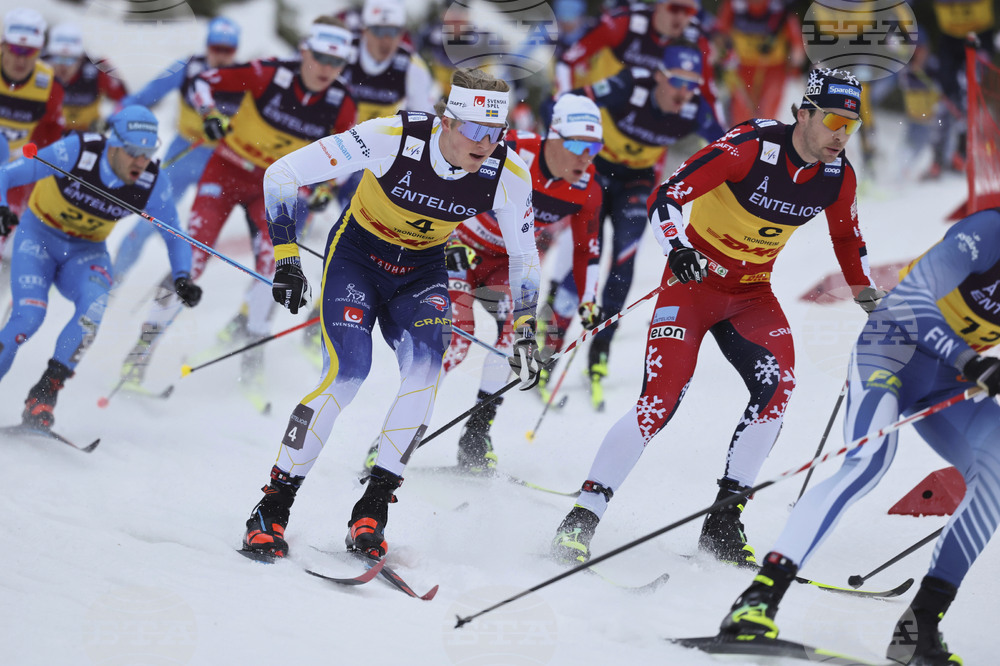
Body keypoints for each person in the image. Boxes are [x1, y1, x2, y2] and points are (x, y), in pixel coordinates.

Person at [550, 68, 886, 569]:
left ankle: (724, 523)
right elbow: (668, 196)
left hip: (751, 297)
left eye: (852, 125)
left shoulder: (837, 177)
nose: (841, 134)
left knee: (777, 390)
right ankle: (582, 515)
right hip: (692, 288)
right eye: (834, 120)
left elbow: (846, 241)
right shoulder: (748, 147)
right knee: (659, 402)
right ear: (804, 113)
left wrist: (868, 299)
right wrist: (678, 246)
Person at [240, 67, 539, 561]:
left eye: (496, 133)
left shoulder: (507, 174)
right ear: (447, 121)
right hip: (357, 258)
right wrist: (287, 255)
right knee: (347, 374)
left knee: (425, 376)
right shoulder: (391, 138)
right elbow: (282, 173)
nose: (485, 144)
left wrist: (527, 325)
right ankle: (272, 507)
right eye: (474, 130)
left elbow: (524, 256)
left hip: (420, 273)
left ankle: (372, 509)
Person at [718, 208, 1000, 666]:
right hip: (892, 350)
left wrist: (968, 365)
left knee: (996, 476)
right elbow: (910, 300)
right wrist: (969, 359)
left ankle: (920, 627)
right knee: (868, 463)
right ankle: (757, 601)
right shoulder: (988, 232)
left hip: (950, 380)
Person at [116, 17, 357, 409]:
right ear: (306, 52)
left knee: (277, 265)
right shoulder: (268, 73)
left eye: (337, 62)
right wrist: (209, 114)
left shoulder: (342, 102)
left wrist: (324, 187)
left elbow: (344, 150)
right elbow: (202, 80)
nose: (327, 69)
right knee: (193, 259)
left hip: (274, 187)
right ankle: (138, 357)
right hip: (226, 170)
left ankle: (252, 362)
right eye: (321, 57)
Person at [549, 41, 725, 410]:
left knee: (624, 263)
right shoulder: (630, 84)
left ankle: (600, 352)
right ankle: (549, 341)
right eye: (677, 80)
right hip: (598, 171)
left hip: (637, 181)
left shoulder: (694, 108)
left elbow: (730, 150)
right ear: (660, 75)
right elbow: (568, 103)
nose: (683, 91)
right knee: (588, 253)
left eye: (692, 84)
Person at [0, 106, 200, 428]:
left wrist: (182, 277)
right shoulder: (77, 151)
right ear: (113, 145)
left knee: (94, 307)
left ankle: (44, 396)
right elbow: (7, 173)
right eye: (134, 152)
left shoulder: (151, 182)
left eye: (148, 152)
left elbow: (176, 236)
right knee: (29, 317)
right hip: (38, 238)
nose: (141, 161)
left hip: (86, 250)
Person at [435, 93, 604, 473]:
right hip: (460, 249)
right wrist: (447, 240)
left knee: (516, 334)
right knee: (458, 339)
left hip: (504, 265)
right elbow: (446, 182)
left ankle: (476, 434)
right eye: (577, 144)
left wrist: (589, 299)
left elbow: (587, 251)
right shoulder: (512, 152)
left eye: (595, 146)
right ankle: (397, 434)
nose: (585, 156)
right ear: (553, 137)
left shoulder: (587, 187)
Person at [111, 16, 242, 285]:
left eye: (227, 51)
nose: (220, 56)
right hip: (184, 151)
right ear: (207, 46)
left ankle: (178, 283)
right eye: (215, 48)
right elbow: (151, 92)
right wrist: (121, 111)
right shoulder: (189, 67)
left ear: (235, 52)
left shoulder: (244, 77)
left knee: (203, 227)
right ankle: (115, 277)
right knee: (149, 219)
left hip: (219, 160)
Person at [0, 9, 64, 216]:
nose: (22, 60)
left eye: (30, 52)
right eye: (16, 50)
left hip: (14, 166)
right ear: (3, 46)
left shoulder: (49, 85)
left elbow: (51, 131)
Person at [712, 0, 804, 125]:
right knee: (741, 115)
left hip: (773, 69)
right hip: (741, 67)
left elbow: (797, 46)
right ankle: (742, 141)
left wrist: (795, 58)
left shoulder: (780, 6)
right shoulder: (734, 5)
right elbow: (721, 31)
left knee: (766, 115)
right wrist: (723, 53)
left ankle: (762, 141)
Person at [43, 22, 128, 133]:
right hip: (48, 136)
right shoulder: (38, 66)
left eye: (70, 59)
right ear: (50, 55)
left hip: (88, 136)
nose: (63, 66)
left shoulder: (99, 68)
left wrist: (111, 121)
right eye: (59, 58)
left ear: (81, 57)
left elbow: (126, 101)